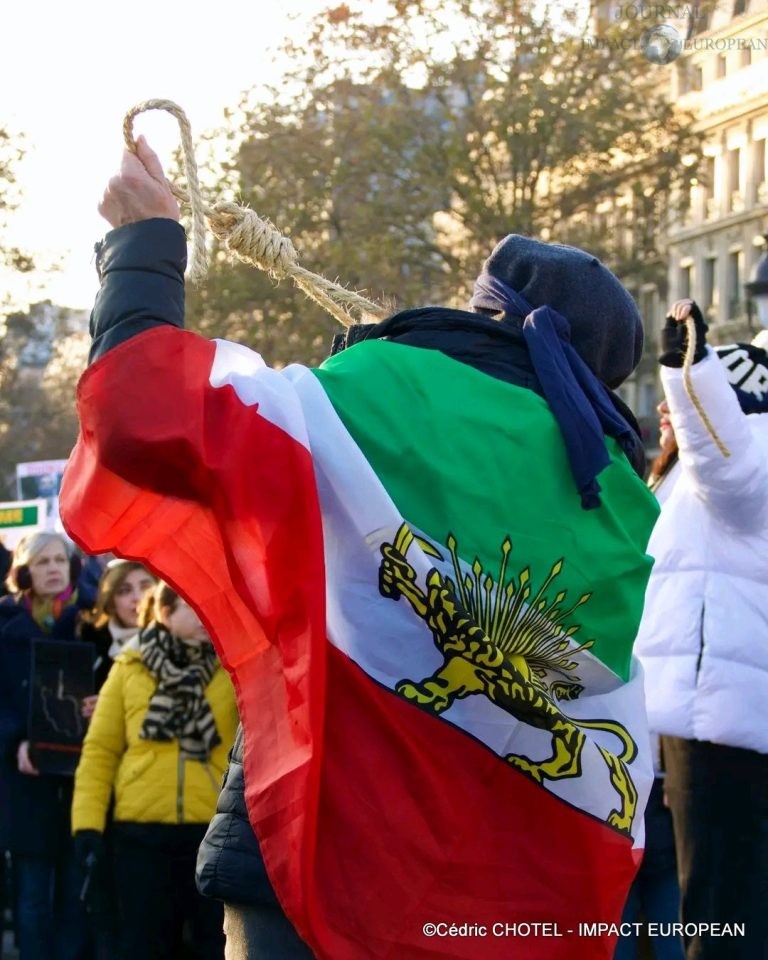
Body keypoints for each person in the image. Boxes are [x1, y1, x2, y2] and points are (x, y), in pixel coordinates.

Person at [60, 137, 660, 960]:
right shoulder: (627, 510)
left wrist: (141, 249)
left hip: (315, 858)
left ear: (485, 308)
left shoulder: (387, 388)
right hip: (495, 909)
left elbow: (145, 417)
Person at [635, 299, 768, 960]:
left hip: (722, 726)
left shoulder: (751, 454)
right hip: (712, 722)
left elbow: (730, 468)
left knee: (720, 927)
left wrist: (692, 371)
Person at [71, 580, 237, 960]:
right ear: (164, 612)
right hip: (139, 835)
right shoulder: (129, 666)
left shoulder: (233, 667)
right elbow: (100, 751)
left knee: (214, 946)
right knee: (143, 945)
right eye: (191, 605)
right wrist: (87, 826)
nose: (203, 616)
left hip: (210, 832)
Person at [0, 532, 91, 960]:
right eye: (42, 562)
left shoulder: (92, 624)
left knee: (75, 898)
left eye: (60, 560)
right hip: (25, 782)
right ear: (25, 572)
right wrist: (15, 739)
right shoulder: (4, 627)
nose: (53, 569)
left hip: (80, 781)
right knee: (32, 898)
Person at [77, 559, 156, 958]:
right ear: (109, 600)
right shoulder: (90, 651)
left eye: (145, 585)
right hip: (108, 806)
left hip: (163, 811)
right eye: (125, 590)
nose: (137, 597)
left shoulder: (188, 646)